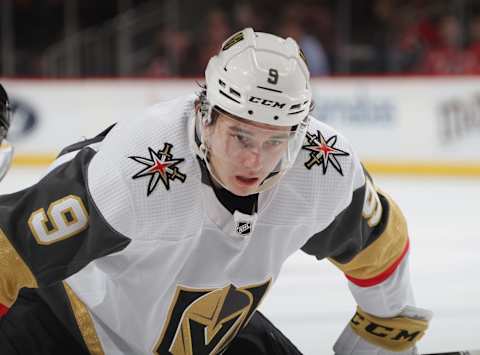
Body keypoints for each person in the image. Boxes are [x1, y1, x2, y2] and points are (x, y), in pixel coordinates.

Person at [0, 28, 432, 354]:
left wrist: (383, 337)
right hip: (67, 327)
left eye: (274, 142)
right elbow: (9, 250)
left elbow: (381, 245)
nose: (254, 161)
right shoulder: (138, 169)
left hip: (209, 336)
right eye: (240, 137)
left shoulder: (322, 166)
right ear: (205, 115)